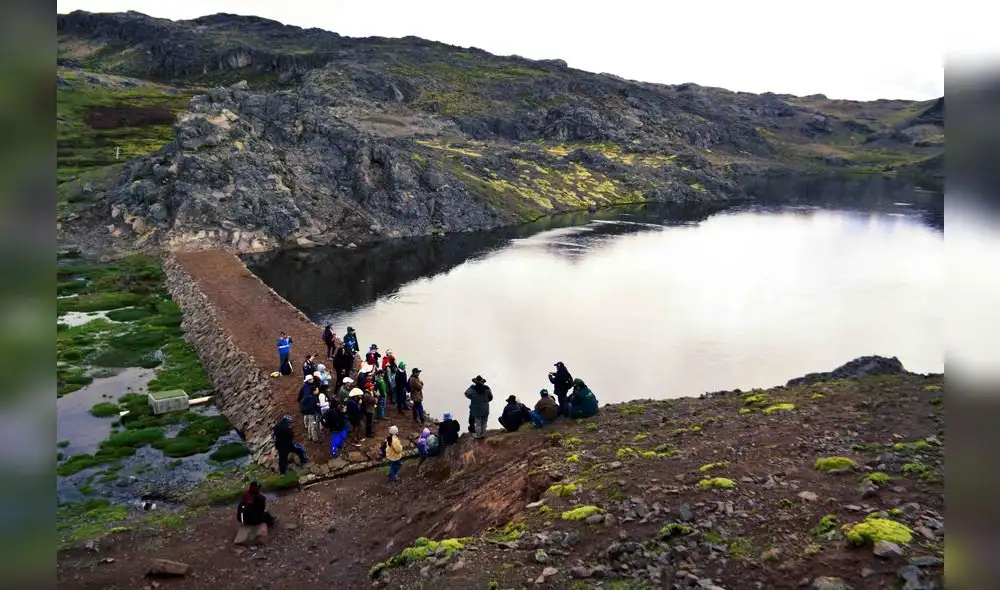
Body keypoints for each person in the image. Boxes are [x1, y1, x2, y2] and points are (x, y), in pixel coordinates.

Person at [465, 375, 493, 439]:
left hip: (476, 409)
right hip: (485, 408)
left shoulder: (472, 389)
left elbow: (466, 394)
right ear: (482, 381)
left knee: (478, 423)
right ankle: (483, 434)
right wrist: (485, 401)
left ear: (475, 382)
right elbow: (491, 397)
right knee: (484, 422)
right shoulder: (487, 388)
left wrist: (472, 397)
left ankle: (478, 435)